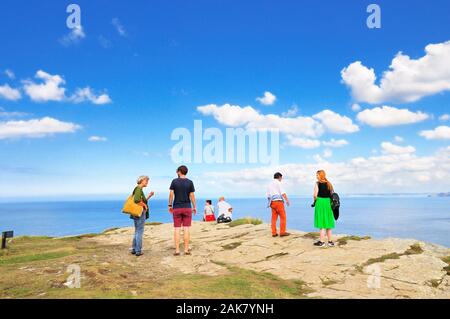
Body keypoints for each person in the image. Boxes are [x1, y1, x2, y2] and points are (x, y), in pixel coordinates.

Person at [168, 165, 196, 256]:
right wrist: (194, 206)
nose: (176, 172)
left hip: (177, 207)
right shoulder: (190, 182)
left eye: (177, 171)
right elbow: (192, 196)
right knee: (186, 229)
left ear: (179, 172)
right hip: (187, 207)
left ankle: (177, 250)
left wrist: (169, 205)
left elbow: (171, 194)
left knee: (177, 229)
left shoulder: (174, 181)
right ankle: (186, 250)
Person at [131, 175, 154, 256]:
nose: (147, 182)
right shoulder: (138, 189)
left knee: (137, 231)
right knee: (139, 231)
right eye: (146, 180)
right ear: (141, 181)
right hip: (140, 212)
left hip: (136, 212)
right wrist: (144, 206)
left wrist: (149, 196)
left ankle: (134, 249)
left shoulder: (138, 189)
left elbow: (142, 200)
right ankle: (138, 251)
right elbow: (137, 200)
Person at [313, 170, 335, 247]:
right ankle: (330, 242)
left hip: (320, 203)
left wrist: (314, 202)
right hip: (328, 203)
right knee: (328, 223)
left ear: (321, 175)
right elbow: (332, 194)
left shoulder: (317, 183)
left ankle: (321, 242)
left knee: (322, 223)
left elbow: (315, 195)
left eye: (317, 175)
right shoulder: (329, 183)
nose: (316, 176)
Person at [267, 172, 290, 237]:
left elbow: (268, 196)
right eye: (281, 178)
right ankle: (282, 232)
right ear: (279, 177)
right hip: (279, 202)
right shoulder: (278, 183)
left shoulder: (269, 184)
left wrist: (270, 203)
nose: (281, 179)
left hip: (272, 202)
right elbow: (283, 193)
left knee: (274, 218)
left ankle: (274, 233)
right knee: (283, 217)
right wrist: (287, 200)